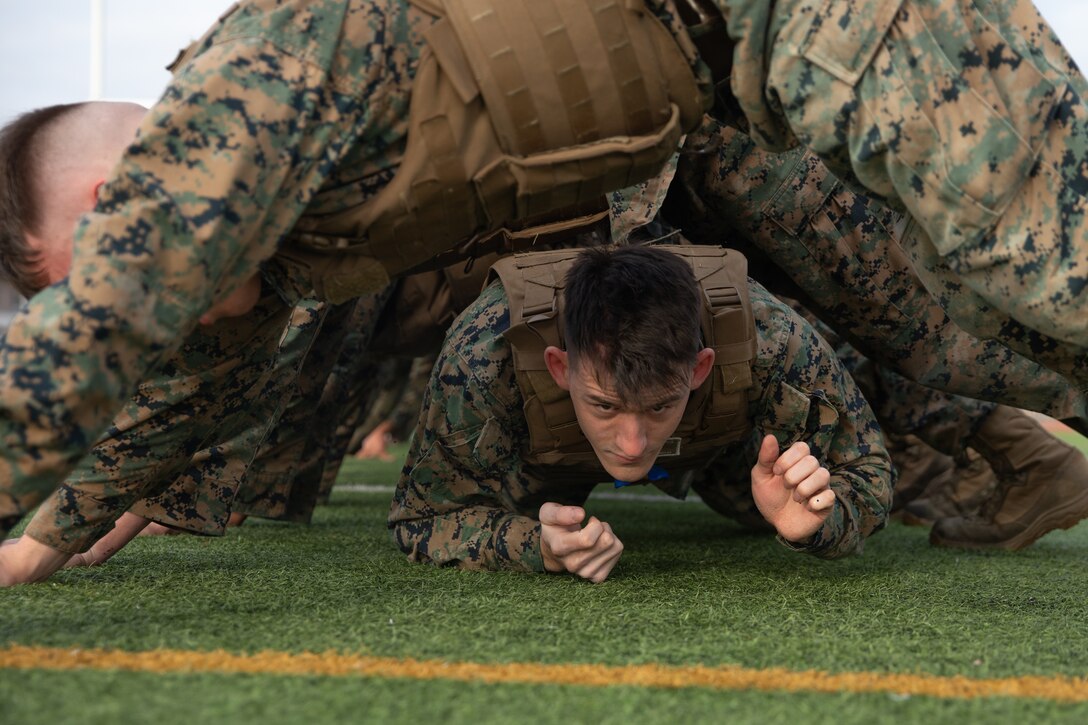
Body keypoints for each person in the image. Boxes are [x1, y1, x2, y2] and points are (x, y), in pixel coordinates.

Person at [389, 244, 893, 581]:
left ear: (699, 370)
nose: (631, 443)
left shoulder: (774, 338)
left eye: (658, 406)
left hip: (717, 453)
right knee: (526, 515)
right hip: (540, 460)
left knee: (773, 509)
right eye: (604, 404)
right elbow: (421, 516)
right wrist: (531, 545)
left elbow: (869, 474)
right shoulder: (486, 351)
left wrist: (818, 523)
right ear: (559, 368)